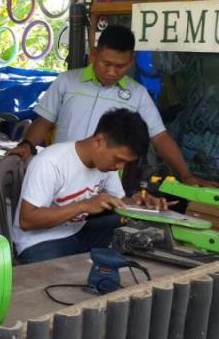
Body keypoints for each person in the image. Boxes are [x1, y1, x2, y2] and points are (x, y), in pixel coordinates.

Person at [9, 25, 217, 188]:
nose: (112, 72)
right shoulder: (67, 82)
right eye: (106, 64)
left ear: (131, 61)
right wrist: (27, 146)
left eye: (120, 66)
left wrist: (186, 175)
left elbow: (160, 137)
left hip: (105, 184)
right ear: (94, 55)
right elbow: (44, 121)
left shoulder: (137, 94)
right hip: (61, 175)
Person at [12, 109, 168, 264]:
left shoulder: (107, 165)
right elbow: (27, 220)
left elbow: (119, 200)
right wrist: (83, 206)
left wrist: (139, 201)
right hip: (40, 241)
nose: (120, 167)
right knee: (67, 279)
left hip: (79, 231)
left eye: (125, 162)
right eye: (118, 159)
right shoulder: (51, 162)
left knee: (131, 228)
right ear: (99, 140)